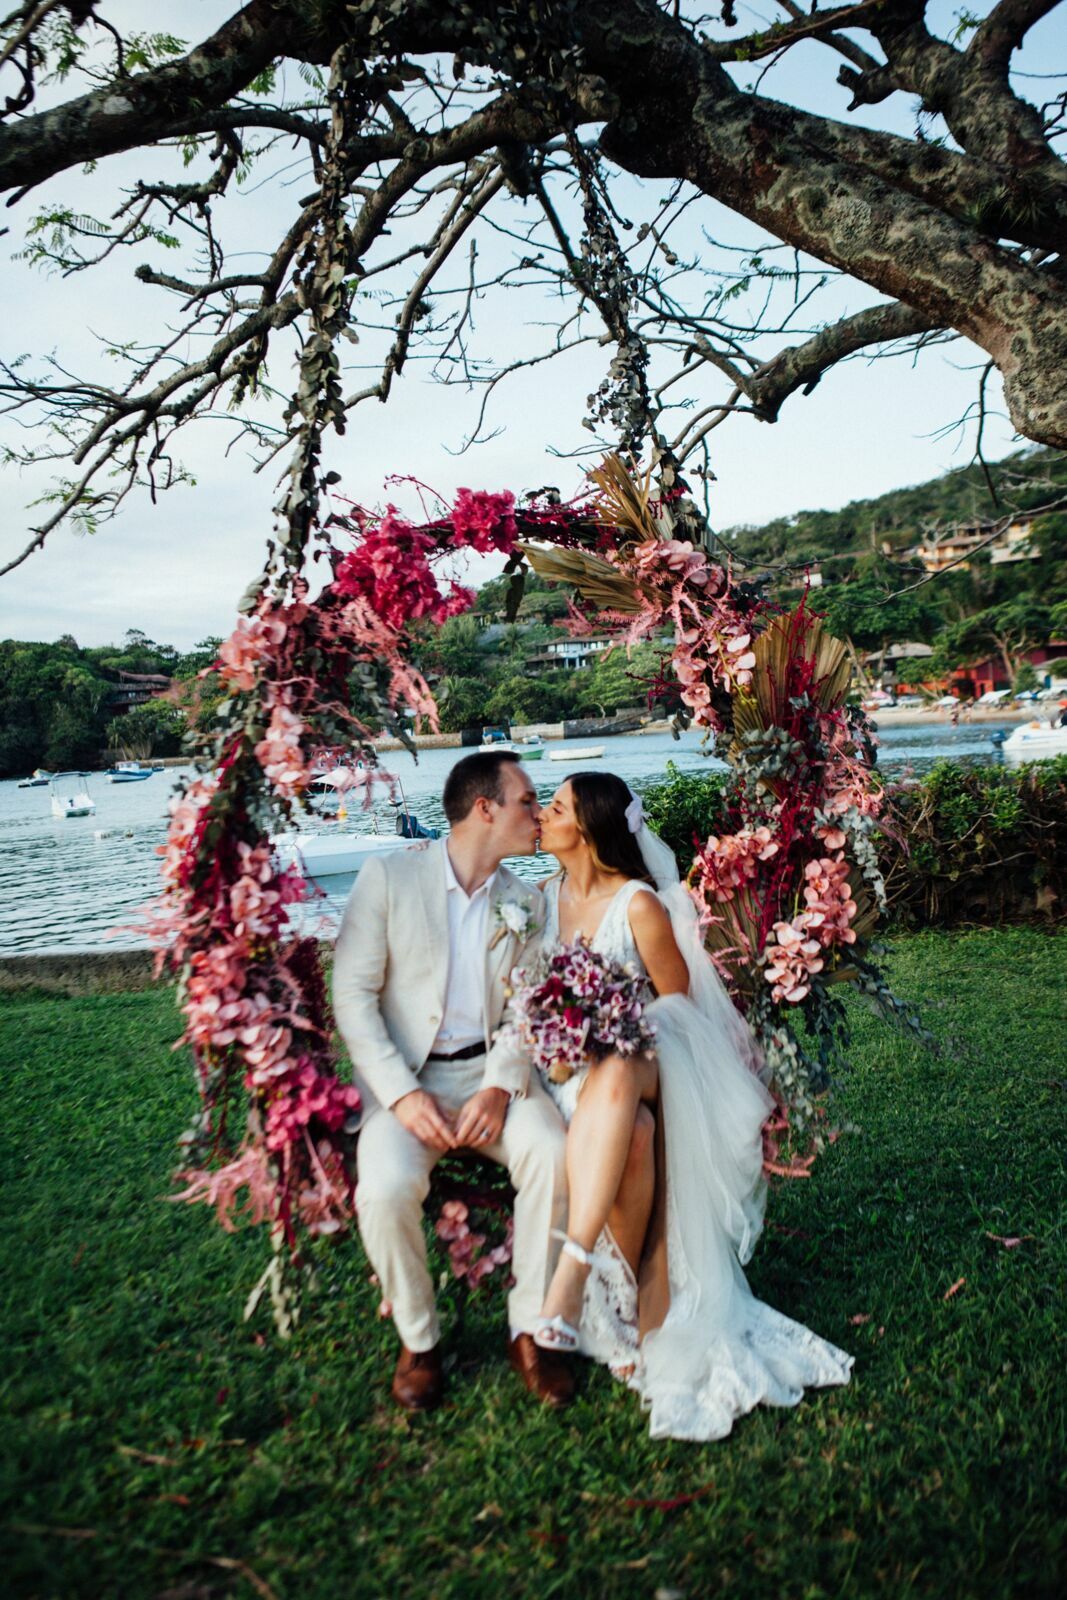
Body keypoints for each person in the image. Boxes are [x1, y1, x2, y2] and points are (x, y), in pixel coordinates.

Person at [531, 770, 854, 1441]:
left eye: (556, 807)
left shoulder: (637, 906)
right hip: (569, 1078)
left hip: (645, 1056)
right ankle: (644, 1300)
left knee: (621, 1075)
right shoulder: (539, 899)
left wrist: (606, 1020)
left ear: (588, 828)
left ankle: (572, 1276)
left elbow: (678, 1009)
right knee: (638, 1134)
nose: (541, 813)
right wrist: (569, 1034)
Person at [332, 751, 573, 1413]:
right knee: (381, 1188)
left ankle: (530, 1331)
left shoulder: (524, 902)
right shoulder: (388, 877)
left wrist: (499, 1084)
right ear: (485, 808)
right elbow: (351, 996)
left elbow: (528, 1004)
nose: (537, 812)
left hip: (489, 1072)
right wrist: (403, 1097)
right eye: (526, 800)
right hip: (406, 1080)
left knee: (552, 1153)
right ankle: (419, 1341)